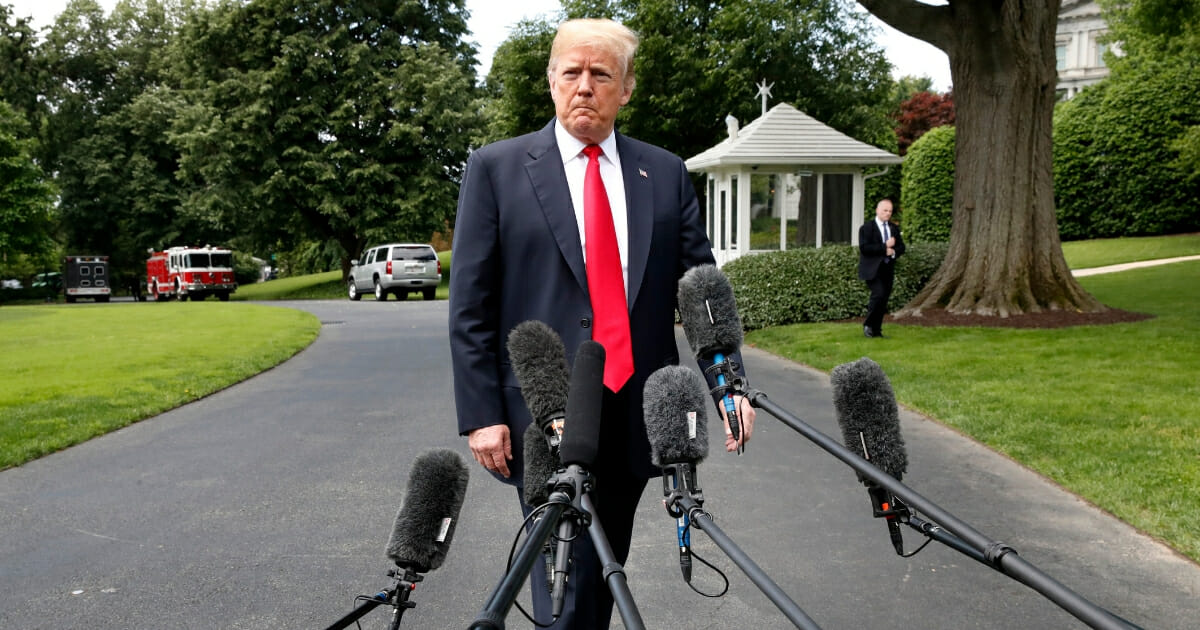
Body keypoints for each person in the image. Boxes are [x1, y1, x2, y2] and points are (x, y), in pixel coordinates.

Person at [448, 18, 755, 630]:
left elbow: (700, 287)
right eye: (571, 72)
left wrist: (729, 383)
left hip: (636, 406)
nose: (584, 86)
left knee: (606, 563)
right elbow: (470, 304)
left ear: (626, 88)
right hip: (542, 408)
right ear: (551, 81)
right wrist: (482, 413)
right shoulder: (496, 168)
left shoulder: (662, 172)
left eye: (601, 74)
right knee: (559, 568)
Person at [858, 198, 906, 338]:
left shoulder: (893, 228)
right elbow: (865, 248)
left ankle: (877, 330)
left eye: (890, 211)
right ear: (877, 210)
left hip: (887, 268)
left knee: (884, 298)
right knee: (878, 294)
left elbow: (901, 247)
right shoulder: (867, 228)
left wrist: (893, 252)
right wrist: (884, 246)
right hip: (872, 269)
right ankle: (868, 325)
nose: (888, 213)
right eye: (885, 210)